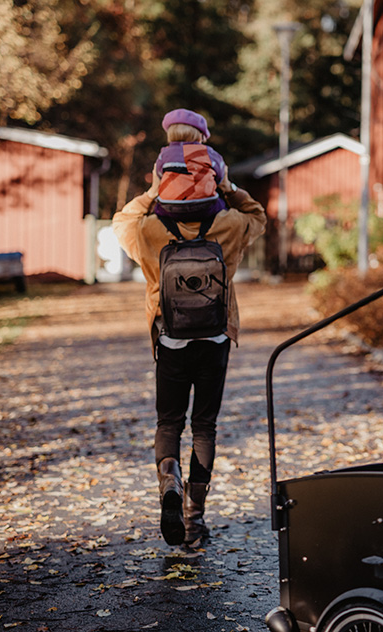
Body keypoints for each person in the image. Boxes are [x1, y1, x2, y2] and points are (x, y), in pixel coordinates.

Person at [112, 109, 266, 547]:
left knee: (168, 421)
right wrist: (228, 187)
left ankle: (169, 487)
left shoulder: (149, 230)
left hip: (171, 336)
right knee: (204, 427)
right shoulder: (229, 224)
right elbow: (258, 217)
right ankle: (195, 519)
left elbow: (120, 222)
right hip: (215, 336)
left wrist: (154, 190)